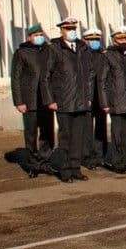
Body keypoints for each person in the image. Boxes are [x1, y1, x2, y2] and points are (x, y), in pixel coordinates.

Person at [45, 17, 93, 182]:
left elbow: (88, 75)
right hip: (64, 100)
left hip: (80, 100)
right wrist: (50, 99)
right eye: (68, 29)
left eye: (73, 28)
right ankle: (65, 170)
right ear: (61, 30)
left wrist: (88, 97)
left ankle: (75, 168)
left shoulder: (82, 48)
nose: (71, 31)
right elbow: (46, 77)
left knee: (78, 137)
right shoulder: (55, 49)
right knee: (65, 138)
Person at [10, 23, 54, 178]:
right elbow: (15, 78)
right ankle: (33, 165)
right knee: (31, 134)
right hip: (30, 100)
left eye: (41, 34)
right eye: (36, 35)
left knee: (47, 132)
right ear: (30, 37)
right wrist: (18, 101)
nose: (39, 37)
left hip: (46, 99)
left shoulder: (48, 50)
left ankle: (45, 162)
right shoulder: (22, 53)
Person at [100, 26, 126, 174]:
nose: (124, 41)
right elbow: (102, 81)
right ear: (114, 40)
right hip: (116, 102)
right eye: (121, 39)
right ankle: (117, 162)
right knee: (117, 135)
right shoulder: (108, 56)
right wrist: (104, 103)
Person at [81, 28, 107, 171]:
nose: (95, 42)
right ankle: (87, 157)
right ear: (85, 40)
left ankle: (100, 155)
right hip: (87, 97)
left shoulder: (103, 55)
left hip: (100, 97)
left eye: (97, 39)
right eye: (91, 39)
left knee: (101, 128)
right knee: (87, 129)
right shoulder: (82, 55)